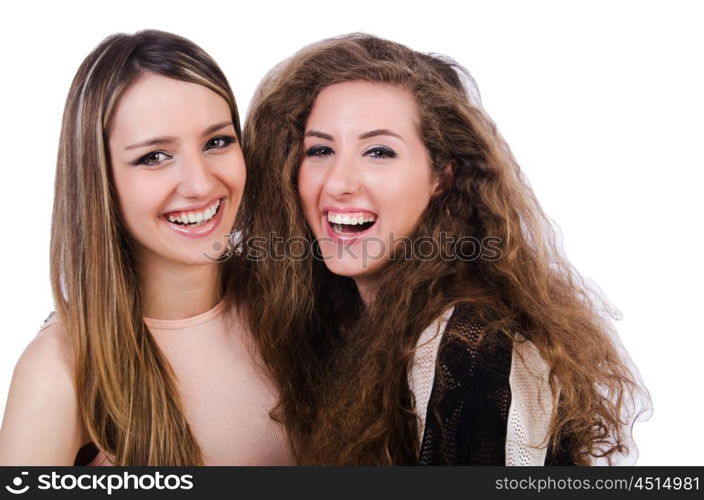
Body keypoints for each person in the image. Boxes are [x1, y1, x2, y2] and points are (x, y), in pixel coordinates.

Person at [238, 33, 651, 465]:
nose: (339, 182)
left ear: (442, 177)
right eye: (320, 150)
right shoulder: (357, 323)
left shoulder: (471, 347)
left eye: (379, 152)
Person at [0, 30, 293, 466]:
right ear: (100, 179)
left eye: (217, 142)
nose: (200, 184)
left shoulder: (288, 306)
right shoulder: (59, 373)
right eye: (154, 157)